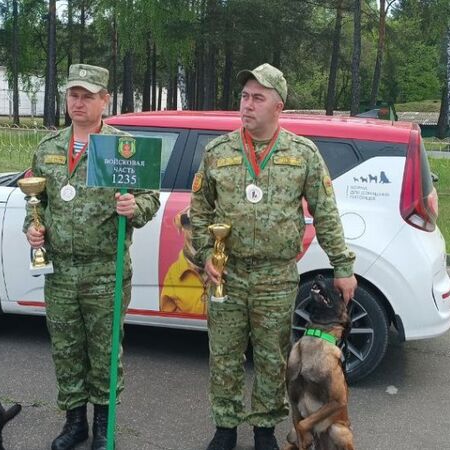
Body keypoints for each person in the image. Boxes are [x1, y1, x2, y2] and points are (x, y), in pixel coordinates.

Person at [189, 63, 357, 450]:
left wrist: (342, 267)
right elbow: (199, 211)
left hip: (275, 276)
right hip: (226, 276)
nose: (247, 105)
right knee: (225, 356)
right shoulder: (218, 151)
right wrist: (205, 255)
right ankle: (225, 428)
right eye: (244, 97)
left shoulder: (302, 154)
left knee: (272, 359)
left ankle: (264, 428)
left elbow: (325, 212)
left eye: (257, 98)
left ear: (278, 106)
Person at [24, 63, 160, 450]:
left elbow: (151, 197)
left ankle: (104, 423)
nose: (78, 103)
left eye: (87, 96)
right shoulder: (48, 149)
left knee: (104, 351)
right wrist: (32, 229)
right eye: (73, 95)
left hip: (106, 270)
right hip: (61, 271)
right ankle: (73, 423)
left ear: (105, 100)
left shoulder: (123, 148)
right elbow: (36, 203)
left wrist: (135, 207)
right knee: (66, 349)